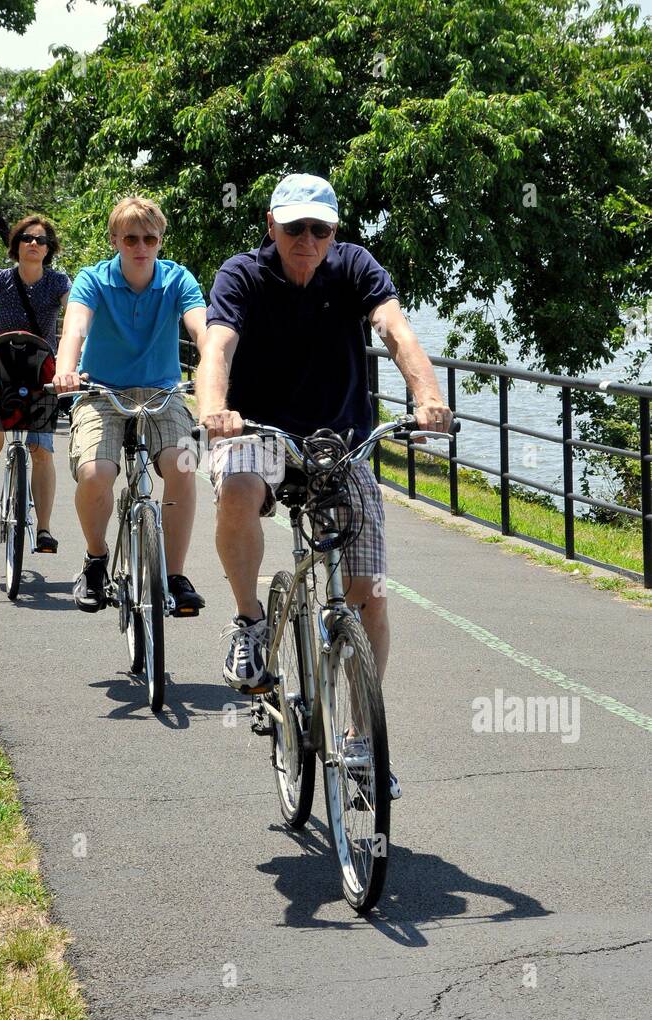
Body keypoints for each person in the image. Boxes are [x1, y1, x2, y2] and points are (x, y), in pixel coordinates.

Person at [196, 174, 452, 793]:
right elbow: (219, 347)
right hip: (257, 432)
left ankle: (363, 742)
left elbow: (396, 330)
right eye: (294, 228)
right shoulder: (242, 275)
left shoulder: (356, 268)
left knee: (369, 596)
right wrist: (214, 411)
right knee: (237, 488)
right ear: (271, 226)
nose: (306, 240)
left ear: (335, 232)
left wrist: (426, 394)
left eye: (320, 229)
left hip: (340, 442)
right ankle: (252, 624)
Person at [52, 196, 207, 615]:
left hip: (161, 391)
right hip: (100, 390)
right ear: (115, 240)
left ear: (160, 241)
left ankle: (174, 574)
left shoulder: (178, 280)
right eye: (132, 238)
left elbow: (201, 328)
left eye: (150, 239)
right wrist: (66, 370)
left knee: (183, 464)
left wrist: (217, 363)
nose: (142, 247)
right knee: (95, 472)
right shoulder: (93, 279)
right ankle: (96, 559)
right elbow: (75, 329)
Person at [0, 215, 71, 553]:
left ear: (49, 249)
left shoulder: (59, 283)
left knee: (43, 449)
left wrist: (74, 363)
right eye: (27, 238)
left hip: (41, 367)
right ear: (16, 245)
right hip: (3, 359)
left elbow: (76, 321)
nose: (33, 244)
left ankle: (45, 529)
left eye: (41, 240)